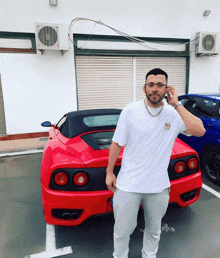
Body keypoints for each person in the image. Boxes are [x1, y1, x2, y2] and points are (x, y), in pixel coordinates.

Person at [105, 68, 206, 258]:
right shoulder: (130, 110)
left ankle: (149, 255)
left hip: (158, 187)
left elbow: (200, 131)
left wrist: (177, 105)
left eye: (160, 85)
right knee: (122, 230)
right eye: (151, 85)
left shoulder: (173, 114)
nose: (155, 89)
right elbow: (117, 143)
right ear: (144, 88)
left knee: (154, 230)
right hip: (128, 184)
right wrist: (110, 172)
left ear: (166, 89)